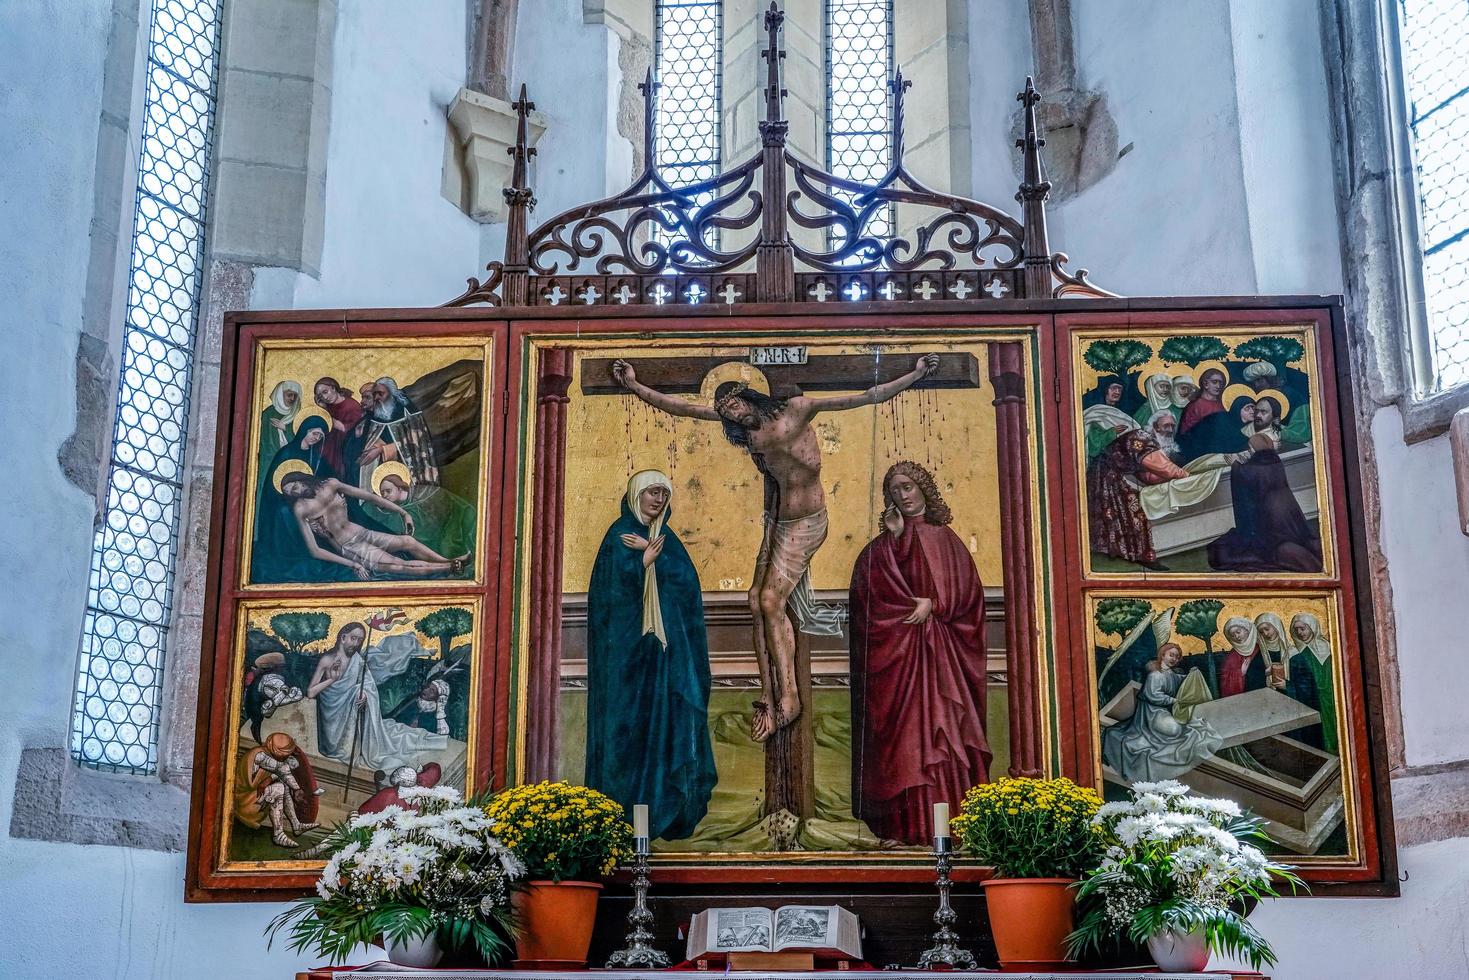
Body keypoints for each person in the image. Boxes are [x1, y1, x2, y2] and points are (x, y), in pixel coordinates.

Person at [612, 354, 939, 742]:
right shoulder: (746, 432)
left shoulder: (797, 410)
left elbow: (867, 396)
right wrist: (634, 385)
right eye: (724, 412)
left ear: (748, 396)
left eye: (733, 404)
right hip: (777, 521)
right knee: (754, 600)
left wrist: (916, 375)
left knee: (770, 601)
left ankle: (791, 699)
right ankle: (769, 692)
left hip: (807, 521)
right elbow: (681, 407)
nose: (730, 414)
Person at [848, 461, 991, 845]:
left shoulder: (946, 539)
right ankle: (904, 827)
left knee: (942, 737)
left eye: (908, 486)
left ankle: (951, 828)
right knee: (907, 740)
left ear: (924, 488)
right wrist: (895, 540)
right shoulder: (882, 546)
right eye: (895, 490)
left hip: (939, 658)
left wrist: (937, 605)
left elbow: (969, 593)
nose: (903, 495)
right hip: (901, 661)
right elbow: (871, 590)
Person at [585, 470, 717, 841]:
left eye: (663, 494)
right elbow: (607, 600)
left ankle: (670, 811)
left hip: (667, 660)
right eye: (651, 493)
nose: (657, 500)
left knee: (668, 728)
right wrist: (641, 562)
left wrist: (654, 557)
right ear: (636, 495)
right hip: (630, 662)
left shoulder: (666, 540)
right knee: (631, 735)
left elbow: (687, 589)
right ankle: (626, 812)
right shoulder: (617, 537)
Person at [307, 623, 450, 771]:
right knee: (333, 747)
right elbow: (311, 692)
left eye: (359, 640)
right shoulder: (327, 659)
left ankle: (356, 746)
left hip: (351, 708)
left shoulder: (357, 660)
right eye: (353, 638)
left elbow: (368, 684)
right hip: (332, 711)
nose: (356, 644)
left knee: (358, 693)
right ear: (343, 637)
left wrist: (364, 695)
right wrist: (331, 680)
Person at [1207, 395, 1323, 573]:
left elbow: (1253, 473)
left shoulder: (1279, 435)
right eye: (1256, 410)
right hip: (1283, 506)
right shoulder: (1244, 432)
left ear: (1275, 417)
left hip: (1273, 509)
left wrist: (1237, 466)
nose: (1257, 415)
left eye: (1263, 411)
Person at [280, 472, 470, 579]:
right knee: (398, 564)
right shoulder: (301, 509)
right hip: (350, 547)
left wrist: (403, 512)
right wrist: (353, 563)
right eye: (290, 493)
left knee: (407, 541)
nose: (295, 493)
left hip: (362, 532)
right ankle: (449, 568)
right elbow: (315, 550)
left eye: (294, 487)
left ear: (301, 479)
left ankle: (446, 560)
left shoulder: (331, 484)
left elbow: (370, 497)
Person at [1102, 644, 1222, 782]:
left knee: (1180, 728)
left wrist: (1192, 674)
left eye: (1177, 657)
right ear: (1162, 655)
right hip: (1151, 714)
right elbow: (1153, 695)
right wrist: (1172, 700)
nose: (1174, 659)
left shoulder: (1173, 674)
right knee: (1174, 729)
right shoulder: (1155, 675)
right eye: (1171, 655)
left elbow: (1182, 681)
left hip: (1166, 711)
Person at [1087, 429, 1194, 570]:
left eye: (1172, 426)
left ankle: (1128, 552)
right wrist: (1186, 476)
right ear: (1155, 427)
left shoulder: (1146, 447)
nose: (1170, 430)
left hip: (1105, 476)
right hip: (1108, 477)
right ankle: (1142, 556)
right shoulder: (1142, 438)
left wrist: (1169, 480)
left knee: (1123, 513)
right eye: (1166, 425)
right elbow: (1165, 468)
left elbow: (1147, 475)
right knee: (1135, 513)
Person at [232, 732, 322, 848]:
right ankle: (278, 834)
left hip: (252, 795)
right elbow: (281, 769)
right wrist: (296, 788)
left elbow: (282, 769)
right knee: (279, 787)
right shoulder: (260, 755)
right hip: (243, 801)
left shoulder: (266, 753)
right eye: (285, 754)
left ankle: (296, 825)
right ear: (277, 751)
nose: (287, 757)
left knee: (282, 785)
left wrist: (294, 788)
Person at [1291, 612, 1337, 753]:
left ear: (1313, 627)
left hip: (1331, 698)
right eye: (1296, 629)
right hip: (1312, 700)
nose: (1300, 633)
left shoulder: (1330, 648)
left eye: (1303, 628)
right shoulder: (1296, 654)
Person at [257, 381, 303, 507]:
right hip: (270, 460)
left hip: (292, 461)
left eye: (295, 396)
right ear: (280, 395)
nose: (292, 399)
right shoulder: (268, 414)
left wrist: (286, 428)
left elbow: (302, 440)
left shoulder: (297, 416)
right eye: (289, 395)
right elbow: (262, 441)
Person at [312, 376, 365, 480]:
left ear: (333, 387)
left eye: (325, 391)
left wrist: (334, 422)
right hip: (332, 446)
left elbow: (356, 430)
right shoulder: (329, 406)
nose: (325, 397)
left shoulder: (351, 405)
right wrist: (323, 408)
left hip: (345, 447)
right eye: (321, 395)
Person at [1179, 368, 1227, 435]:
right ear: (1205, 384)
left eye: (1221, 383)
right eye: (1214, 382)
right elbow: (1186, 431)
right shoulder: (1195, 406)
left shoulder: (1221, 406)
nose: (1218, 386)